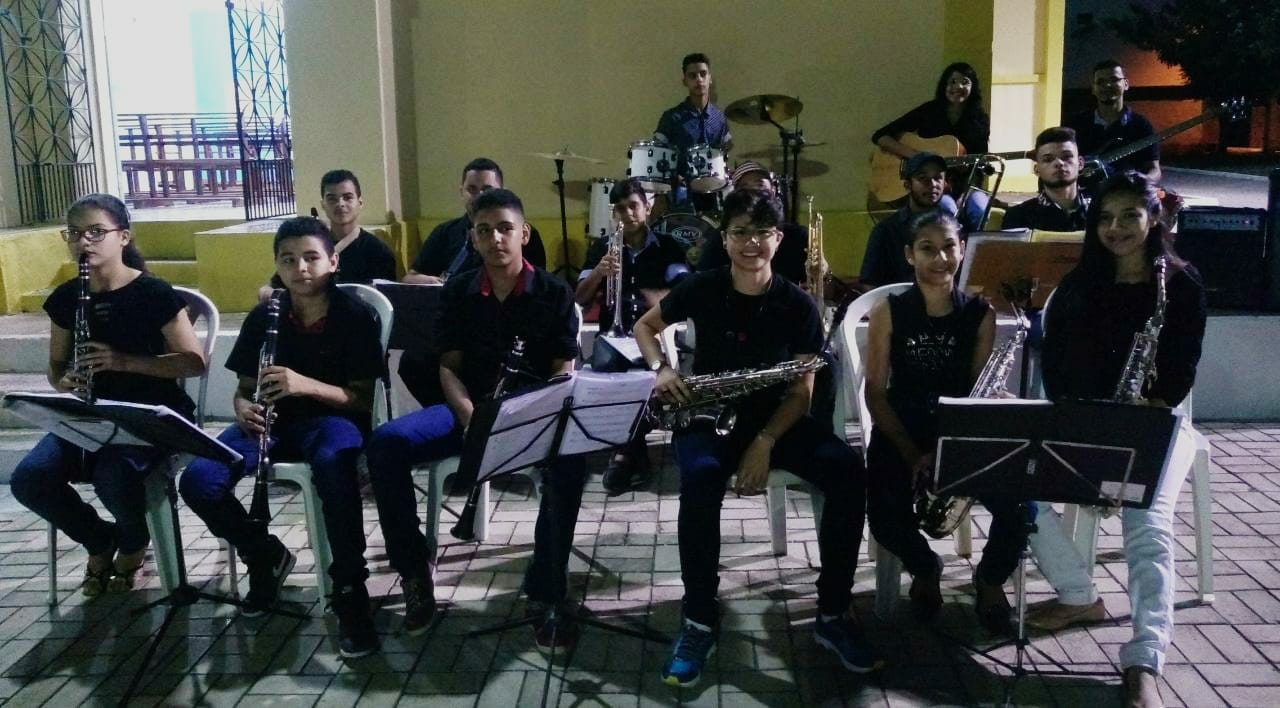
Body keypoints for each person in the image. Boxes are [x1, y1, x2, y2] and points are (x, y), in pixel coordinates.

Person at [633, 189, 880, 687]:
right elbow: (645, 325)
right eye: (740, 232)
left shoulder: (797, 304)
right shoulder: (701, 287)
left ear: (778, 238)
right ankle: (699, 618)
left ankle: (833, 612)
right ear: (724, 239)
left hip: (778, 418)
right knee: (700, 479)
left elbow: (802, 393)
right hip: (711, 415)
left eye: (762, 232)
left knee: (848, 471)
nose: (751, 243)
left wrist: (764, 442)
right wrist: (662, 368)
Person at [365, 189, 588, 648]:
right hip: (467, 411)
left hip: (531, 416)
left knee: (569, 465)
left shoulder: (554, 292)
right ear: (473, 238)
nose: (495, 239)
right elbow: (448, 366)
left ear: (524, 233)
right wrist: (471, 420)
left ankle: (546, 588)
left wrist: (525, 418)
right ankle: (414, 572)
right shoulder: (459, 291)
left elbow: (562, 371)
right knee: (386, 444)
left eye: (505, 228)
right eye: (484, 231)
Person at [1027, 171, 1206, 708]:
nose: (1116, 228)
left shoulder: (1181, 284)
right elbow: (1057, 369)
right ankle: (1079, 593)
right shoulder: (1078, 286)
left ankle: (1145, 657)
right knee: (1014, 486)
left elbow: (1181, 369)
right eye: (1105, 218)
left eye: (1130, 215)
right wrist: (1082, 422)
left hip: (1154, 422)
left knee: (1146, 527)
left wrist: (1145, 413)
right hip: (1091, 420)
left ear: (1153, 219)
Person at [181, 217, 386, 659]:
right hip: (270, 422)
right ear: (277, 264)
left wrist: (302, 384)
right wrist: (242, 408)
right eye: (288, 260)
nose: (301, 268)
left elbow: (362, 399)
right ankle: (264, 556)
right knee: (198, 479)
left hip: (333, 420)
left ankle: (350, 589)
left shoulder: (355, 316)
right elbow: (242, 388)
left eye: (312, 257)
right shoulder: (265, 315)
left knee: (334, 466)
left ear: (332, 262)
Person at [10, 194, 206, 597]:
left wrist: (123, 361)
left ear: (123, 237)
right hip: (88, 413)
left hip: (149, 414)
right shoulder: (67, 298)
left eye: (96, 232)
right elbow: (56, 367)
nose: (84, 242)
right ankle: (100, 539)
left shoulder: (153, 292)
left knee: (113, 475)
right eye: (75, 233)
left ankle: (134, 543)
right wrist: (64, 382)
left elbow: (193, 363)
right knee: (30, 478)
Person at [862, 210, 1028, 634]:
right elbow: (875, 393)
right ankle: (925, 566)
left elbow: (977, 390)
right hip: (902, 427)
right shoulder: (887, 311)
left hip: (960, 428)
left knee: (1020, 506)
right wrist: (912, 454)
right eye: (927, 249)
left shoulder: (980, 313)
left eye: (949, 247)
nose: (940, 258)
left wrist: (954, 445)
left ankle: (990, 578)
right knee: (883, 515)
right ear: (909, 255)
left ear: (962, 249)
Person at [575, 178, 689, 495]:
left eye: (633, 206)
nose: (628, 213)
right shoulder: (602, 248)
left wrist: (658, 298)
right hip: (613, 336)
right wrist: (599, 273)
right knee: (607, 372)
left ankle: (624, 454)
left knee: (645, 378)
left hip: (655, 335)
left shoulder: (668, 247)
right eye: (621, 208)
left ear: (647, 208)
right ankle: (631, 452)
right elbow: (580, 298)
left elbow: (685, 290)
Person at [872, 62, 991, 229]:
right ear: (944, 85)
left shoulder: (980, 120)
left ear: (973, 87)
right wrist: (915, 156)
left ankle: (969, 245)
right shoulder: (929, 111)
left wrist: (965, 195)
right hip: (931, 185)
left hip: (965, 186)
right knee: (947, 209)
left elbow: (978, 166)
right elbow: (880, 136)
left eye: (965, 82)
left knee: (979, 208)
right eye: (952, 82)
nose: (958, 87)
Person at [257, 170, 396, 300]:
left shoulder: (378, 252)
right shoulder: (310, 245)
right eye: (332, 199)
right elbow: (268, 289)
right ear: (322, 204)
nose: (340, 204)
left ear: (360, 202)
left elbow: (386, 302)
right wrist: (275, 296)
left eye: (348, 197)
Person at [404, 158, 546, 283]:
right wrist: (430, 282)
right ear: (462, 192)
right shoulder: (444, 232)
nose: (479, 196)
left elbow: (538, 282)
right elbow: (410, 278)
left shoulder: (520, 233)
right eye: (472, 189)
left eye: (487, 189)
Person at [696, 161, 807, 283]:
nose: (753, 191)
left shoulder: (799, 237)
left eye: (760, 185)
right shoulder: (720, 239)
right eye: (740, 233)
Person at [860, 152, 956, 287]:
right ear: (907, 185)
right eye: (923, 178)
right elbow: (869, 284)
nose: (933, 184)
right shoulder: (886, 230)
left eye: (937, 178)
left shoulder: (952, 227)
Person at [1066, 59, 1161, 184]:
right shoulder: (1075, 124)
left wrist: (1141, 182)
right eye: (1100, 82)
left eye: (1114, 80)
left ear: (1126, 84)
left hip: (1126, 193)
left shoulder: (1141, 125)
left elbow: (1154, 169)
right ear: (1093, 88)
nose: (1107, 85)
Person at [1002, 127, 1089, 232]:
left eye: (1066, 156)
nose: (1059, 163)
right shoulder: (1018, 216)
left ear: (1080, 163)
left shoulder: (1099, 211)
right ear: (1037, 170)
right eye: (1048, 159)